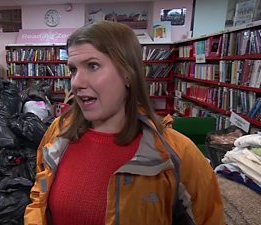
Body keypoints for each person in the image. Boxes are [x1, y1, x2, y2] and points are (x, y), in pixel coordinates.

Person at [24, 20, 225, 225]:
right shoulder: (58, 132)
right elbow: (39, 199)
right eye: (73, 70)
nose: (76, 82)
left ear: (128, 74)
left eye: (93, 66)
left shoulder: (179, 154)